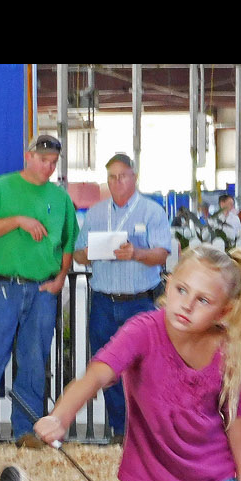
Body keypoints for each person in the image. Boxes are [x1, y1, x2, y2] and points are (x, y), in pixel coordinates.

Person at [32, 246, 241, 481]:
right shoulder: (142, 331)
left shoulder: (225, 347)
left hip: (213, 475)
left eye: (203, 300)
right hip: (153, 476)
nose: (186, 305)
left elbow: (235, 413)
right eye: (181, 290)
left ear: (223, 311)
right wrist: (60, 416)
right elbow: (96, 374)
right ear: (168, 283)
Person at [0, 134, 78, 450]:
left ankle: (27, 431)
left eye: (53, 161)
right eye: (43, 159)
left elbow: (68, 242)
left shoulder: (60, 198)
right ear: (28, 156)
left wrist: (61, 277)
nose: (48, 166)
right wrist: (18, 220)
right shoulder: (0, 187)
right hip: (4, 285)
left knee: (34, 361)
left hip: (43, 289)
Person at [71, 153, 174, 445]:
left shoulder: (152, 212)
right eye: (112, 177)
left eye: (122, 176)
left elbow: (162, 253)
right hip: (104, 300)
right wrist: (91, 251)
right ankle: (120, 430)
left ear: (134, 177)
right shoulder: (95, 213)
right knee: (107, 368)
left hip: (140, 301)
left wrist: (136, 253)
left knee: (144, 370)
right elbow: (79, 253)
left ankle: (146, 432)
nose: (117, 182)